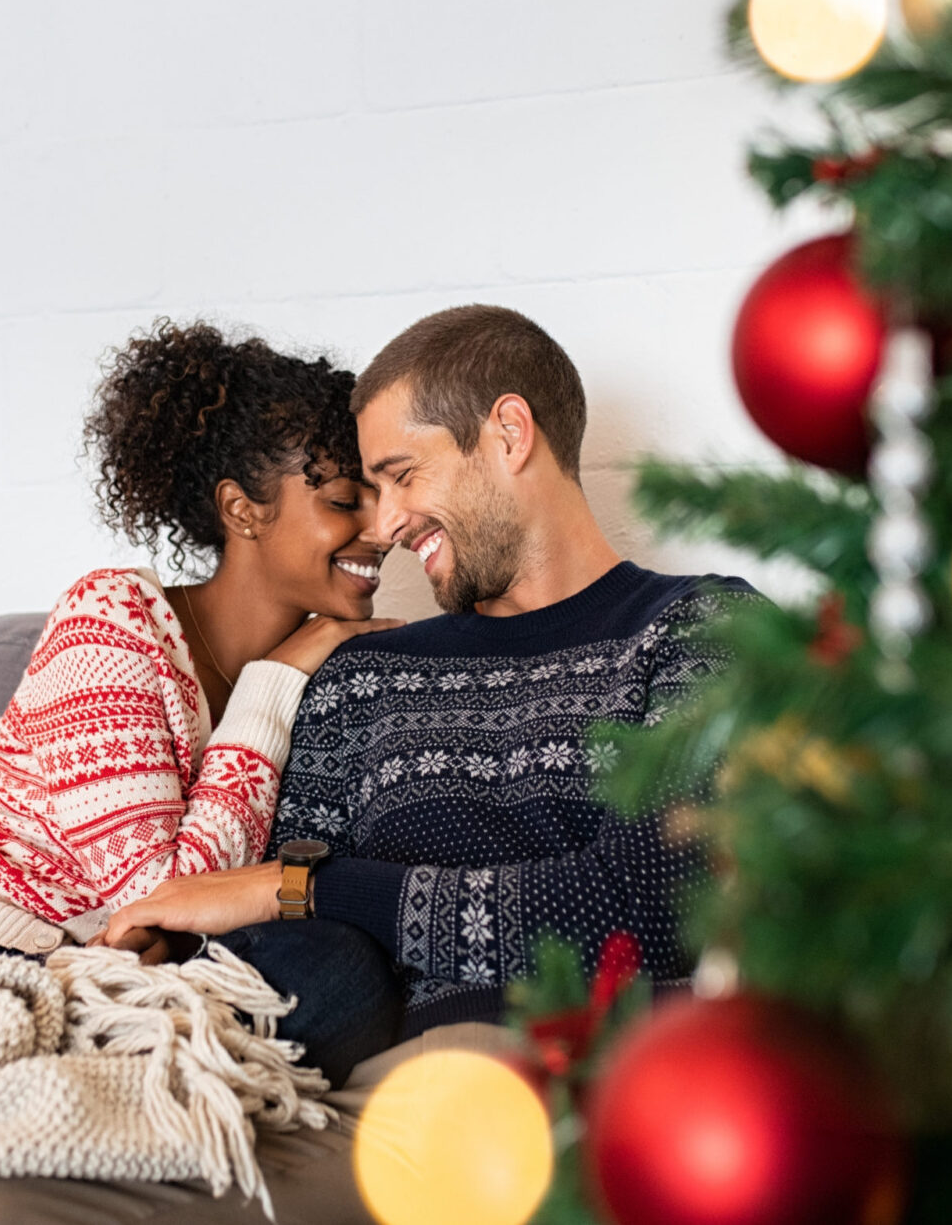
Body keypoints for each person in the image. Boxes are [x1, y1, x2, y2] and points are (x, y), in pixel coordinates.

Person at [103, 304, 755, 1037]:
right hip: (388, 1093)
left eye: (402, 475)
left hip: (622, 1065)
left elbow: (655, 907)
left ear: (510, 434)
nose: (383, 528)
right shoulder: (364, 678)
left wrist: (320, 888)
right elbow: (284, 938)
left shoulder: (697, 629)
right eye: (371, 492)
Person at [0, 318, 404, 1083]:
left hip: (81, 966)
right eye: (349, 499)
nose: (383, 530)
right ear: (242, 509)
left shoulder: (341, 667)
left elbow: (190, 920)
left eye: (383, 500)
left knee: (340, 973)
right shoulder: (110, 621)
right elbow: (165, 898)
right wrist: (274, 681)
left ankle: (75, 1047)